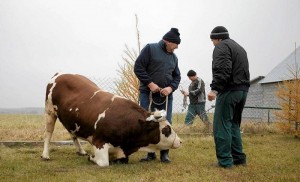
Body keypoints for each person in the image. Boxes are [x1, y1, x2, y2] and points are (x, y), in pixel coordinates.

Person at [134, 28, 181, 163]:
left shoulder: (174, 57)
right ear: (167, 41)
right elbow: (138, 67)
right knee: (149, 123)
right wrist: (150, 84)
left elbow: (177, 76)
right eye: (176, 44)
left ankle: (165, 154)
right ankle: (150, 154)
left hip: (165, 96)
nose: (177, 47)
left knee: (166, 124)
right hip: (147, 94)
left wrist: (171, 88)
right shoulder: (150, 49)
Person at [207, 26, 250, 168]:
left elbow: (223, 68)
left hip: (229, 91)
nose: (213, 43)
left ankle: (225, 161)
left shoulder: (221, 47)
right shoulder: (239, 48)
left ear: (218, 38)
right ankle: (239, 159)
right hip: (242, 91)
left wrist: (215, 89)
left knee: (221, 126)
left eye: (213, 40)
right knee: (234, 125)